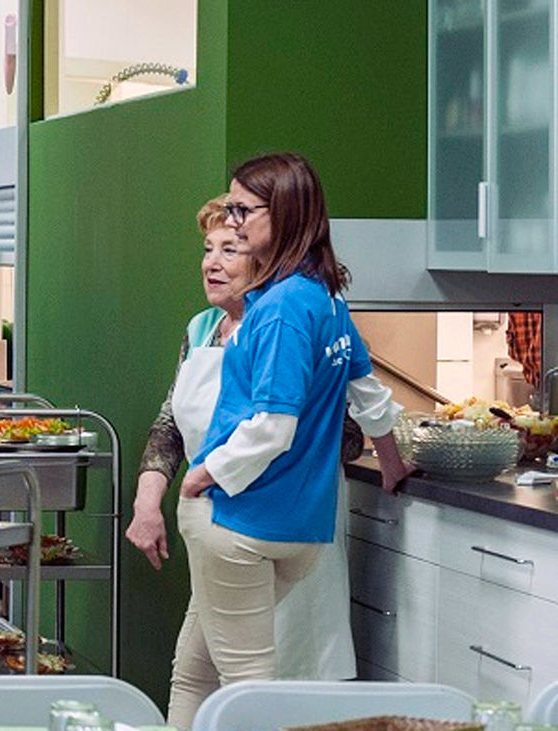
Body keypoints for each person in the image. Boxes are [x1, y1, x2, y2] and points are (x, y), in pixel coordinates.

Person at [162, 153, 413, 729]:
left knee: (249, 695)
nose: (235, 222)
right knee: (194, 672)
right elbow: (367, 392)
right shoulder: (326, 297)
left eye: (243, 211)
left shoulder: (276, 309)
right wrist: (393, 462)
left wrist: (203, 476)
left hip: (242, 519)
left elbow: (274, 426)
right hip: (304, 525)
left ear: (286, 213)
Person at [128, 197, 375, 700]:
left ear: (264, 258)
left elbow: (345, 433)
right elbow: (170, 422)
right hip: (222, 523)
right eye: (208, 249)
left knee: (281, 685)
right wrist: (148, 500)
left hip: (284, 523)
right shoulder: (201, 329)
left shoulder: (292, 321)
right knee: (199, 672)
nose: (212, 262)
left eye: (231, 249)